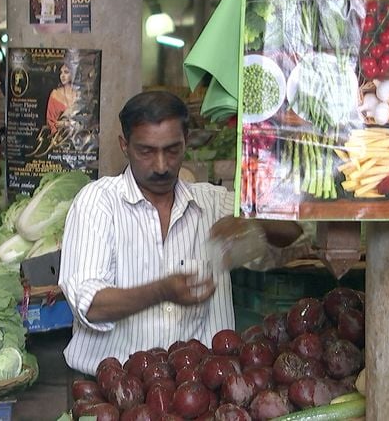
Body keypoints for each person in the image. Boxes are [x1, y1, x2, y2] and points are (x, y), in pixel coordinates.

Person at [58, 91, 306, 375]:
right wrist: (161, 291)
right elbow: (89, 305)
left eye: (172, 150)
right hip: (112, 389)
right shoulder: (97, 204)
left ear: (186, 142)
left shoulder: (214, 203)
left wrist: (254, 222)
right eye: (147, 151)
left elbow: (296, 236)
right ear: (124, 145)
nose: (162, 166)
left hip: (198, 391)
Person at [46, 61, 78, 135]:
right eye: (61, 73)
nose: (62, 75)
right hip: (59, 137)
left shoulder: (79, 95)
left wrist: (67, 124)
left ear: (73, 74)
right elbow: (50, 122)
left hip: (78, 137)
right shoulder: (55, 94)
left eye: (66, 72)